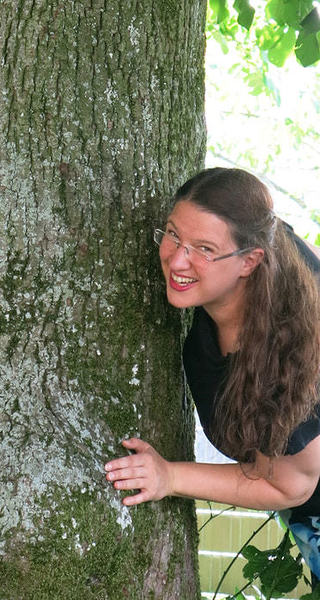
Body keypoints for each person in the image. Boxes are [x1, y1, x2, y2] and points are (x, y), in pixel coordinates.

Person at [104, 167, 320, 581]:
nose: (177, 259)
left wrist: (170, 475)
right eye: (172, 234)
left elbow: (291, 485)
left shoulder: (283, 360)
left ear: (249, 261)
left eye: (204, 248)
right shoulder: (273, 241)